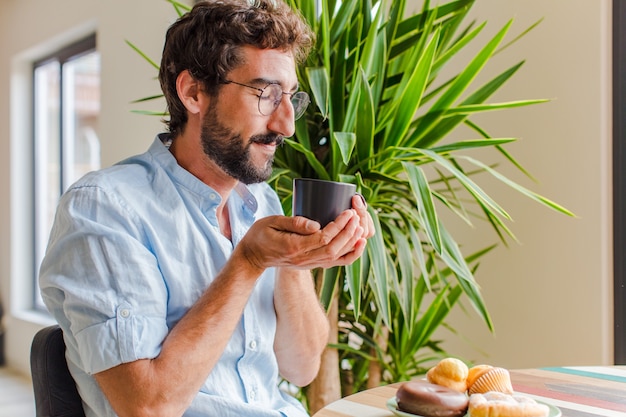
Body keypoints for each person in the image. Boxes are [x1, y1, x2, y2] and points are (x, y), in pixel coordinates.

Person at [39, 0, 375, 416]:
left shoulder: (261, 205)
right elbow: (147, 407)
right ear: (194, 92)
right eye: (266, 94)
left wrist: (294, 260)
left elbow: (301, 367)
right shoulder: (104, 208)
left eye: (290, 97)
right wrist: (249, 261)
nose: (286, 125)